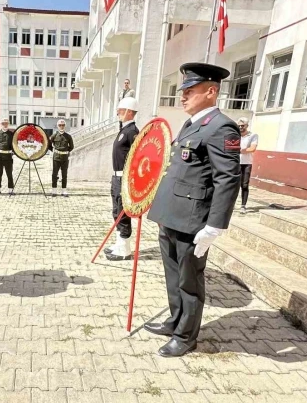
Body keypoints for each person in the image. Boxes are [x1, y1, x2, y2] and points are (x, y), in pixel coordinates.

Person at [145, 63, 241, 358]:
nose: (183, 96)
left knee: (189, 281)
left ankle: (186, 337)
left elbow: (228, 178)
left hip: (192, 221)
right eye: (183, 90)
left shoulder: (221, 126)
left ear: (211, 91)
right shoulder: (191, 124)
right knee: (173, 276)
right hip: (172, 215)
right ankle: (176, 321)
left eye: (190, 90)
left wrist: (215, 225)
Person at [105, 97, 140, 261]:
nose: (118, 112)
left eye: (120, 110)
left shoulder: (132, 131)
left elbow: (137, 157)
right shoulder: (124, 130)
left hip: (125, 179)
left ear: (129, 112)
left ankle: (125, 249)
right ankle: (119, 243)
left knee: (123, 213)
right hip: (117, 177)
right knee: (116, 211)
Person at [49, 119, 74, 197]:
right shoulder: (54, 135)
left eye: (63, 125)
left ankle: (64, 191)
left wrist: (66, 151)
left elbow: (72, 146)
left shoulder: (68, 136)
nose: (61, 127)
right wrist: (53, 150)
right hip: (56, 158)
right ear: (57, 126)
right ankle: (54, 190)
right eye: (60, 125)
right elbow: (49, 144)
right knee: (54, 174)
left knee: (64, 175)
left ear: (65, 126)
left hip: (65, 159)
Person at [238, 117, 258, 214]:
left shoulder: (253, 135)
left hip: (246, 163)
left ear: (247, 125)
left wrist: (240, 151)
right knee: (233, 185)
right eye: (239, 125)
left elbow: (252, 148)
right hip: (235, 163)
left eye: (243, 125)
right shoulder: (235, 135)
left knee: (244, 185)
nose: (241, 127)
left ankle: (243, 205)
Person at [0, 118, 15, 195]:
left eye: (6, 123)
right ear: (1, 124)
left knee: (9, 173)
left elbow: (14, 144)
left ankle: (10, 190)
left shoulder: (11, 134)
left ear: (8, 124)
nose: (5, 125)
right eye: (3, 123)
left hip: (8, 156)